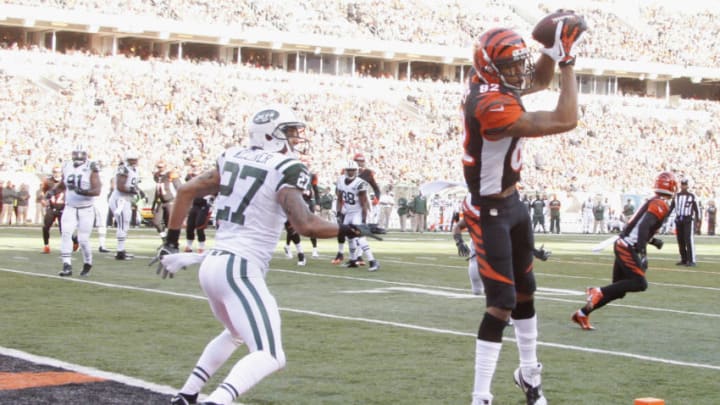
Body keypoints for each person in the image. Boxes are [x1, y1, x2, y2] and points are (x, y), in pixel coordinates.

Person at [152, 104, 375, 405]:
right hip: (239, 268)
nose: (295, 139)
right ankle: (215, 401)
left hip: (215, 264)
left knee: (235, 334)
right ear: (271, 135)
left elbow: (185, 192)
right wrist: (351, 230)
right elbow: (305, 224)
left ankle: (187, 395)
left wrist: (171, 241)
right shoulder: (286, 168)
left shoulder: (230, 156)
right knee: (271, 355)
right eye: (289, 133)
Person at [461, 14, 585, 405]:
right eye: (510, 63)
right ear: (490, 67)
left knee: (527, 294)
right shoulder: (488, 102)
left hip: (513, 204)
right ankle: (481, 395)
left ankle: (529, 375)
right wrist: (566, 60)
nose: (519, 69)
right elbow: (566, 118)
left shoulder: (497, 85)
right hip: (488, 209)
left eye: (520, 59)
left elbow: (540, 81)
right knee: (501, 304)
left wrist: (549, 50)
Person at [571, 172, 677, 331]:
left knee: (618, 290)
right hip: (627, 246)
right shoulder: (661, 203)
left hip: (624, 243)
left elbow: (639, 226)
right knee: (639, 283)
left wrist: (653, 241)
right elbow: (643, 227)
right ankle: (596, 290)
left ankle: (582, 313)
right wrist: (642, 252)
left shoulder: (653, 200)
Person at [56, 147, 102, 277]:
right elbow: (63, 184)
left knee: (83, 240)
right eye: (76, 155)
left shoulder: (91, 167)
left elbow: (97, 190)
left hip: (86, 208)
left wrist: (82, 192)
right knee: (66, 234)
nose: (78, 158)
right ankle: (66, 265)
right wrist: (53, 191)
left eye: (80, 155)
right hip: (70, 207)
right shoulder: (66, 165)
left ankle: (88, 262)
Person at [336, 159, 380, 271]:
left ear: (356, 171)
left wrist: (364, 219)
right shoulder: (341, 180)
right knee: (349, 237)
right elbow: (340, 198)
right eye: (349, 170)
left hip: (358, 212)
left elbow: (363, 202)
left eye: (353, 170)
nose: (350, 172)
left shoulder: (360, 183)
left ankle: (372, 261)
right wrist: (339, 212)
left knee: (359, 238)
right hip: (348, 212)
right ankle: (352, 260)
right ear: (345, 171)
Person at [108, 152, 144, 260]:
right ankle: (120, 252)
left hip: (126, 200)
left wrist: (139, 191)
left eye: (135, 159)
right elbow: (120, 187)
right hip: (119, 200)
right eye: (133, 159)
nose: (135, 161)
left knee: (125, 224)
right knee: (122, 225)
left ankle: (122, 249)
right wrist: (134, 191)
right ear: (128, 160)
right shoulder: (123, 169)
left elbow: (133, 184)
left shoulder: (135, 170)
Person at [184, 159, 212, 254]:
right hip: (195, 203)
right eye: (193, 165)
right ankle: (189, 246)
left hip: (204, 203)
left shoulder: (205, 176)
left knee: (199, 226)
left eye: (195, 165)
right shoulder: (190, 176)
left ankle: (201, 247)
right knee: (190, 226)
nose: (194, 167)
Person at [669, 178, 699, 266]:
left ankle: (692, 260)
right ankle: (684, 259)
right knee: (680, 240)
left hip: (688, 219)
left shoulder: (692, 196)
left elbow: (697, 209)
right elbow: (671, 208)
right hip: (679, 219)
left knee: (688, 239)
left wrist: (698, 220)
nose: (683, 186)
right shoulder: (676, 196)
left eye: (685, 184)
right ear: (680, 185)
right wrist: (665, 217)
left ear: (687, 185)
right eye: (682, 184)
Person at [152, 160, 182, 242]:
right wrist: (153, 204)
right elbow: (157, 190)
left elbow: (179, 188)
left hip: (171, 201)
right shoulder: (157, 176)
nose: (159, 169)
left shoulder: (171, 175)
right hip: (161, 202)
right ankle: (164, 238)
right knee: (156, 221)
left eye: (161, 167)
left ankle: (172, 242)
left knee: (170, 223)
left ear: (165, 166)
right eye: (158, 167)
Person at [41, 167, 66, 253]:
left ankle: (72, 242)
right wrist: (44, 200)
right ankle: (46, 246)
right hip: (51, 207)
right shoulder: (48, 182)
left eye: (58, 172)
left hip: (63, 208)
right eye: (54, 172)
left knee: (63, 230)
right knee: (45, 227)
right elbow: (44, 193)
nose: (56, 174)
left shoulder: (65, 181)